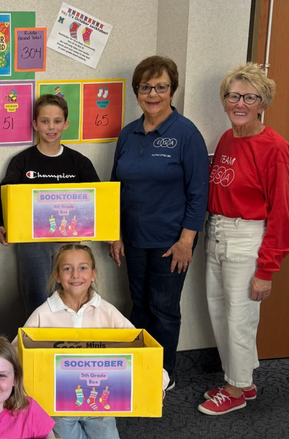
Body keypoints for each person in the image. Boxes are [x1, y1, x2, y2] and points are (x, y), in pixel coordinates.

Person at [199, 63, 289, 416]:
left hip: (247, 238)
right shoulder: (227, 138)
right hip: (219, 232)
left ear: (262, 102)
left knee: (240, 317)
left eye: (249, 97)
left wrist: (266, 269)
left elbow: (282, 213)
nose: (240, 103)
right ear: (225, 101)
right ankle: (241, 380)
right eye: (233, 95)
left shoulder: (274, 147)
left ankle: (235, 389)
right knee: (219, 311)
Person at [109, 56, 209, 388]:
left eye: (161, 87)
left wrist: (186, 241)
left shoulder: (186, 134)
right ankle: (139, 369)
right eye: (145, 87)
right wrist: (115, 233)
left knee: (164, 309)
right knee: (139, 306)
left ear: (172, 90)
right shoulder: (128, 134)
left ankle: (163, 375)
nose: (153, 94)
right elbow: (116, 189)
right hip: (134, 238)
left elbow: (198, 193)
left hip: (171, 242)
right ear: (136, 91)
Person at [17, 244, 132, 439]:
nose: (75, 275)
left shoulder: (107, 312)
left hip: (98, 402)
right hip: (58, 406)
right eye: (67, 269)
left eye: (83, 268)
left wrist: (159, 382)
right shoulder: (43, 314)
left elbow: (139, 347)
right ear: (57, 276)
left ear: (93, 274)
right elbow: (15, 352)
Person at [0, 94, 100, 316]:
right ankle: (37, 347)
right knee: (38, 300)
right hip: (32, 245)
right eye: (45, 121)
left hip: (69, 244)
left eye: (57, 121)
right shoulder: (22, 161)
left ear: (66, 124)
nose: (51, 127)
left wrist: (107, 229)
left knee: (71, 296)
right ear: (35, 124)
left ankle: (68, 344)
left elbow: (98, 198)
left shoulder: (79, 162)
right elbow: (1, 196)